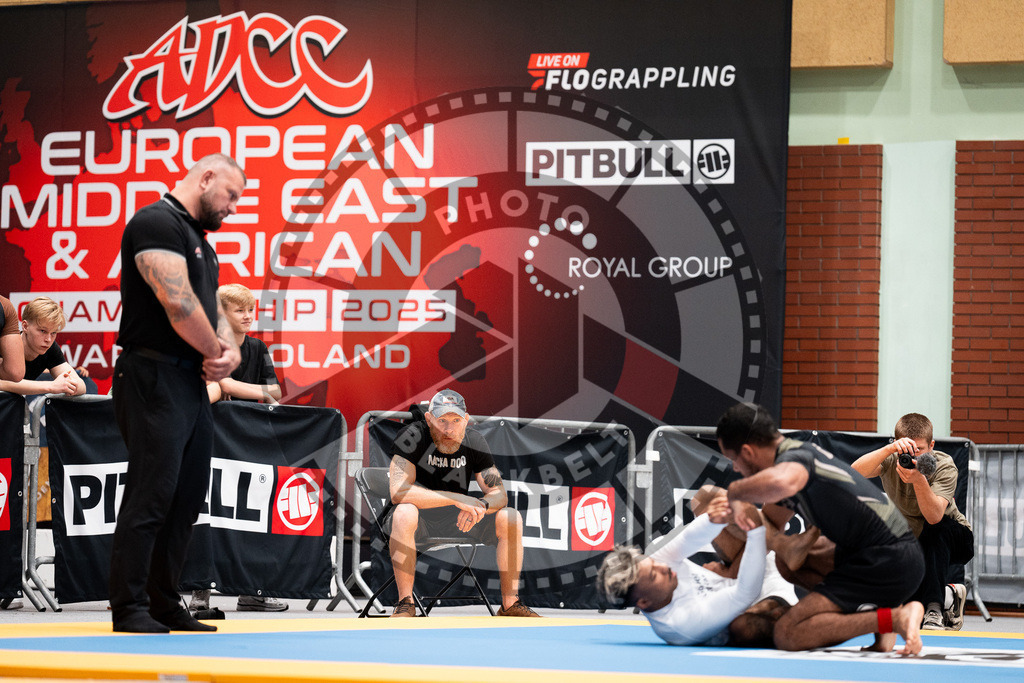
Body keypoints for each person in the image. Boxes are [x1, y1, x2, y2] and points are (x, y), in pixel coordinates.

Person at [108, 153, 243, 633]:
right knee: (152, 493)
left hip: (189, 382)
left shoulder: (202, 244)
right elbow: (177, 301)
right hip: (151, 375)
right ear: (205, 178)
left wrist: (226, 349)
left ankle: (164, 602)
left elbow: (208, 310)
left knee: (186, 497)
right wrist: (218, 352)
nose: (233, 208)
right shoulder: (155, 223)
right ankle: (128, 608)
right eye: (230, 195)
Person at [716, 402, 925, 654]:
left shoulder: (794, 460)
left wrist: (735, 492)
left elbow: (782, 481)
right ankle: (882, 632)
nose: (736, 469)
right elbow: (766, 529)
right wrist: (734, 585)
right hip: (879, 556)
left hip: (889, 560)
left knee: (787, 634)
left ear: (747, 452)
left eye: (734, 461)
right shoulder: (794, 457)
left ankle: (895, 619)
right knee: (787, 560)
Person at [386, 389, 540, 617]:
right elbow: (398, 493)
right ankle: (406, 603)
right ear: (429, 419)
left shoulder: (474, 440)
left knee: (510, 516)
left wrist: (481, 507)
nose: (449, 429)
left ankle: (510, 604)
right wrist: (457, 498)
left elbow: (498, 493)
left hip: (460, 520)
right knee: (404, 512)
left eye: (456, 420)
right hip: (419, 520)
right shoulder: (413, 435)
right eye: (442, 421)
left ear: (466, 420)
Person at [190, 283, 285, 614]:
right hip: (211, 441)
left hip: (249, 442)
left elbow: (274, 391)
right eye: (239, 310)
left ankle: (253, 591)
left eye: (250, 310)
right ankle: (200, 591)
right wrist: (233, 388)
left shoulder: (258, 347)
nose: (247, 316)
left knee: (251, 516)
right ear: (221, 314)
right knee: (208, 514)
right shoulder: (208, 345)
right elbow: (205, 390)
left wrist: (230, 386)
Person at [596, 491, 797, 647]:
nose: (662, 567)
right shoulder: (680, 624)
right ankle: (783, 544)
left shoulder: (653, 566)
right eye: (654, 574)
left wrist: (712, 521)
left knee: (709, 498)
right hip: (765, 596)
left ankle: (792, 478)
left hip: (745, 572)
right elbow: (745, 593)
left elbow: (688, 539)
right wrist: (756, 533)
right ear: (644, 601)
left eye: (653, 563)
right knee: (743, 627)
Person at [852, 413, 973, 631]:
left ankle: (934, 608)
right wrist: (889, 450)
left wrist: (919, 480)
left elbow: (934, 516)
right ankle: (948, 595)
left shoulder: (944, 465)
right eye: (908, 449)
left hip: (954, 538)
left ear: (932, 446)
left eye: (920, 450)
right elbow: (853, 473)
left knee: (935, 529)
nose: (914, 456)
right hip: (914, 540)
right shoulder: (892, 459)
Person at [0, 297, 85, 397]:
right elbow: (2, 383)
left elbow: (81, 386)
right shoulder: (6, 343)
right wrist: (50, 386)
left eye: (53, 333)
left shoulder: (50, 348)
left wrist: (68, 385)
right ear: (25, 326)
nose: (48, 339)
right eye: (42, 331)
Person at [0, 294, 25, 382]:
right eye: (42, 331)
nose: (48, 339)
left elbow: (14, 372)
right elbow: (14, 372)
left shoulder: (5, 306)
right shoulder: (4, 305)